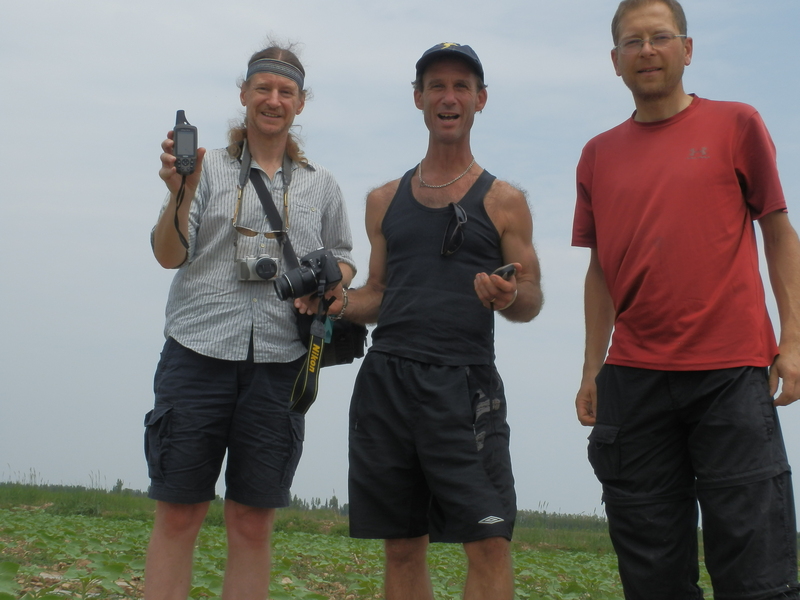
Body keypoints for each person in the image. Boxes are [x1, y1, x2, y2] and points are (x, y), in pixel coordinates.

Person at [572, 1, 800, 598]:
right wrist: (592, 366)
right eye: (632, 41)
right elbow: (601, 270)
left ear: (687, 49)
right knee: (652, 579)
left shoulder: (737, 124)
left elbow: (778, 233)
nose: (647, 49)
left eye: (660, 37)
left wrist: (794, 342)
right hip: (633, 384)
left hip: (731, 377)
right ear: (615, 61)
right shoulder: (598, 154)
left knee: (759, 577)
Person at [143, 43, 355, 600]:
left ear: (301, 103)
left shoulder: (323, 185)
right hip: (196, 353)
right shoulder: (204, 168)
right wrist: (178, 194)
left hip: (281, 363)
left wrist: (334, 283)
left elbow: (345, 256)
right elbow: (168, 254)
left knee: (252, 522)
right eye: (263, 87)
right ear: (243, 95)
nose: (273, 99)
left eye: (286, 91)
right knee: (179, 514)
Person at [338, 43, 543, 600]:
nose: (448, 97)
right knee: (402, 545)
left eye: (460, 87)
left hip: (465, 383)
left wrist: (506, 296)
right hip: (388, 383)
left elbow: (532, 295)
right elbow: (377, 294)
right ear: (418, 99)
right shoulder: (384, 199)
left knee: (490, 541)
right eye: (435, 86)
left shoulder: (504, 201)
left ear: (480, 100)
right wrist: (335, 302)